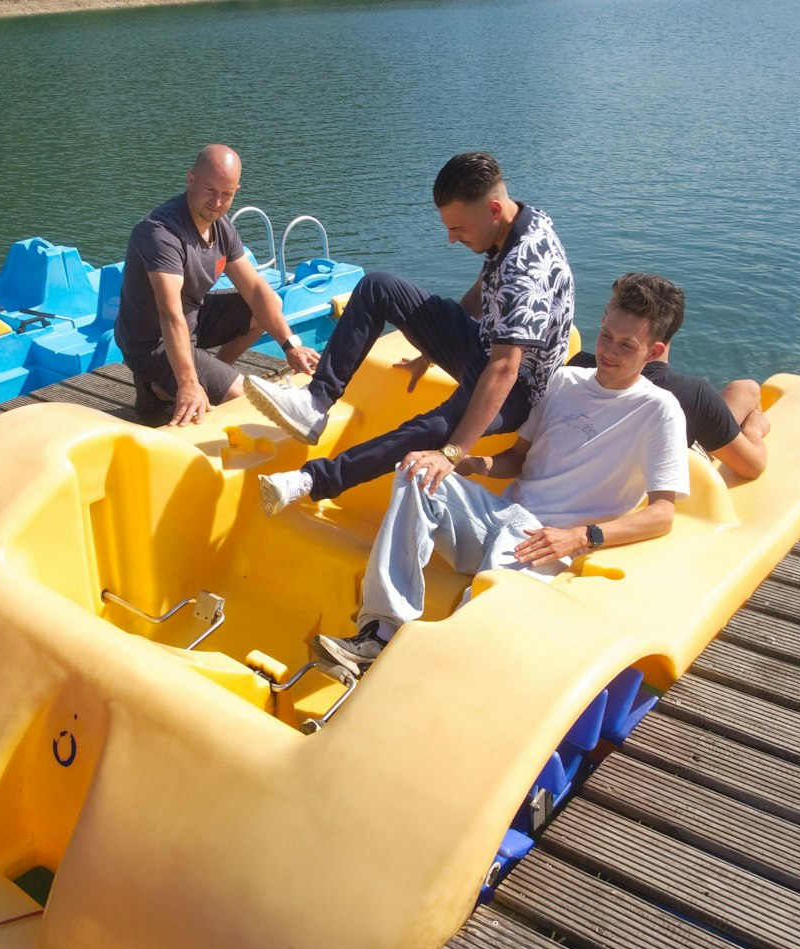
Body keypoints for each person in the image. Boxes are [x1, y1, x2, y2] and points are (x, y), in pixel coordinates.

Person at [310, 273, 689, 673]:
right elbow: (519, 459)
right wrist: (474, 465)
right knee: (415, 468)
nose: (608, 351)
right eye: (606, 335)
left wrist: (580, 536)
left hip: (543, 543)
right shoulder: (562, 380)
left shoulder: (658, 410)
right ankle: (379, 632)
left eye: (626, 345)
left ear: (654, 350)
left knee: (480, 625)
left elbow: (662, 514)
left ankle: (420, 677)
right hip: (499, 515)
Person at [246, 152, 574, 515]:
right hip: (484, 348)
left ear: (493, 209)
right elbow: (487, 288)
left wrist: (453, 453)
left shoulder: (526, 269)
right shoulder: (520, 221)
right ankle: (315, 403)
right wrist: (430, 349)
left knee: (435, 427)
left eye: (459, 229)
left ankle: (311, 480)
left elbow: (503, 371)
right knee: (378, 287)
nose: (451, 239)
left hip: (516, 391)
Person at [114, 144, 320, 426]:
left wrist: (290, 345)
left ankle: (210, 375)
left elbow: (256, 290)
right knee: (245, 400)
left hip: (193, 319)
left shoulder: (221, 226)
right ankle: (163, 387)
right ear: (191, 180)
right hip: (152, 342)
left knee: (271, 303)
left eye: (227, 194)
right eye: (210, 190)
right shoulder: (160, 232)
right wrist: (188, 382)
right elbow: (168, 311)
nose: (217, 202)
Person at [561, 348, 769, 479]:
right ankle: (744, 428)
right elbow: (753, 467)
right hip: (686, 455)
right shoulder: (693, 393)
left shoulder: (577, 368)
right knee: (747, 388)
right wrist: (753, 430)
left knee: (745, 388)